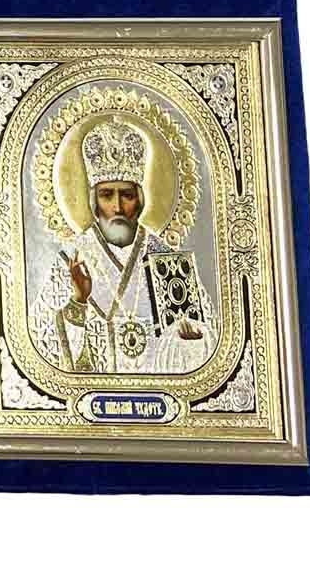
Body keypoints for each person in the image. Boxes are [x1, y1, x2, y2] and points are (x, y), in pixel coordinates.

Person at [33, 118, 217, 374]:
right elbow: (43, 347)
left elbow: (208, 344)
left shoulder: (167, 262)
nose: (117, 207)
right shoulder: (71, 260)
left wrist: (191, 341)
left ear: (140, 201)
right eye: (107, 195)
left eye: (127, 195)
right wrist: (78, 301)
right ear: (93, 202)